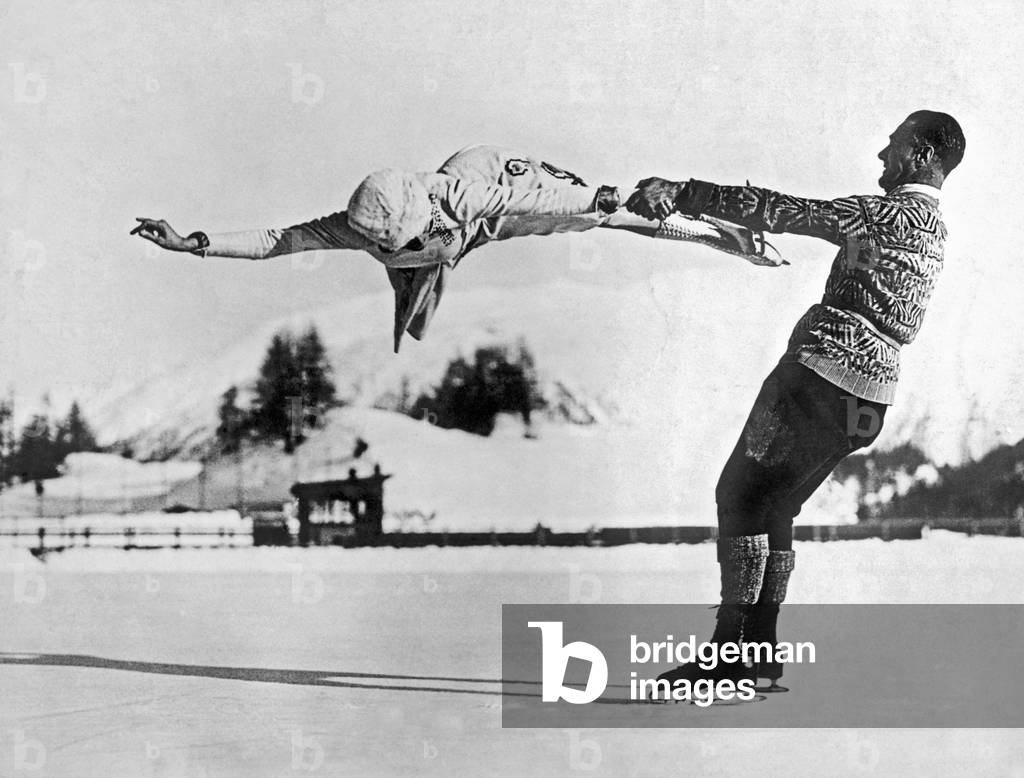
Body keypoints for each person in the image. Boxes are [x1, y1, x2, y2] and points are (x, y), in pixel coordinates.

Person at [626, 110, 965, 693]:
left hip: (821, 375)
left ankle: (728, 657)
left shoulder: (882, 212)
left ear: (920, 156)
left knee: (738, 494)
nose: (882, 154)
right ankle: (757, 653)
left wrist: (685, 193)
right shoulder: (935, 229)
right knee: (776, 506)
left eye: (894, 145)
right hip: (871, 399)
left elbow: (788, 210)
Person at [132, 145, 783, 352]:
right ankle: (419, 281)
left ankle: (725, 237)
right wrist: (195, 244)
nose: (383, 245)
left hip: (498, 196)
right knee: (416, 291)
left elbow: (535, 206)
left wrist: (599, 200)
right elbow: (279, 240)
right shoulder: (353, 226)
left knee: (614, 220)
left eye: (396, 240)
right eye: (380, 245)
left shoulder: (458, 195)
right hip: (446, 249)